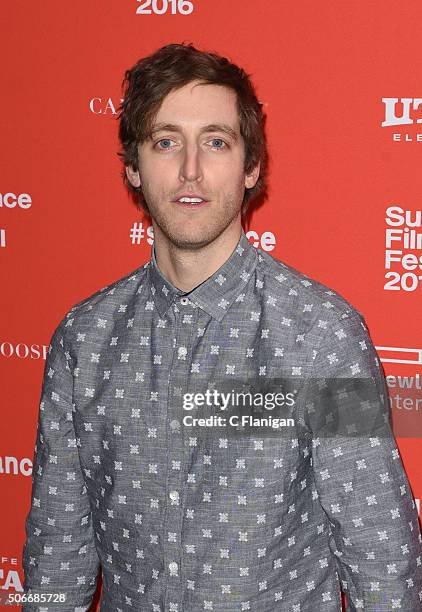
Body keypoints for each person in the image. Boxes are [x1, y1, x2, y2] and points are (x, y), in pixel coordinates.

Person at [22, 43, 421, 611]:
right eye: (166, 142)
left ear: (251, 166)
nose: (190, 169)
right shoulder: (84, 341)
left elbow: (380, 551)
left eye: (215, 141)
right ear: (133, 166)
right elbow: (56, 553)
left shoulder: (320, 335)